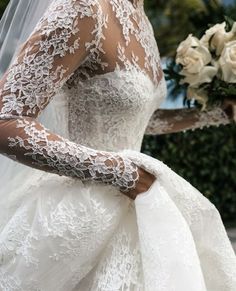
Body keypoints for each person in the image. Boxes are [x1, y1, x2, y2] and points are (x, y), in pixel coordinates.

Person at [0, 0, 235, 290]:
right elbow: (7, 122)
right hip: (79, 214)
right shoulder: (82, 8)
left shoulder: (140, 16)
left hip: (141, 203)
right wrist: (123, 173)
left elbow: (134, 118)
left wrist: (217, 113)